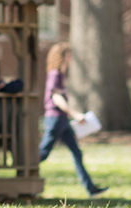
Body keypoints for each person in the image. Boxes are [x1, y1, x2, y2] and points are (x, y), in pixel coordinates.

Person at [38, 42, 107, 197]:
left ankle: (90, 188)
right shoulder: (55, 74)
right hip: (54, 119)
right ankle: (24, 170)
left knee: (77, 152)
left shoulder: (61, 75)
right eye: (68, 54)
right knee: (43, 152)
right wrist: (74, 114)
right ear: (61, 56)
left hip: (62, 120)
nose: (70, 58)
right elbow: (56, 97)